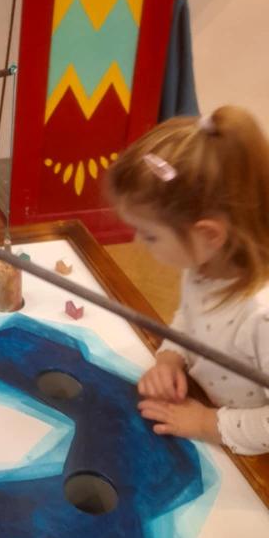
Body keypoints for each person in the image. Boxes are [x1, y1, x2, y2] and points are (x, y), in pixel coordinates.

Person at [107, 106, 269, 455]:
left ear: (209, 234)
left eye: (150, 235)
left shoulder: (261, 315)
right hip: (205, 402)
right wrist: (171, 357)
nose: (137, 242)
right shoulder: (206, 264)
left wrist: (207, 424)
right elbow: (191, 318)